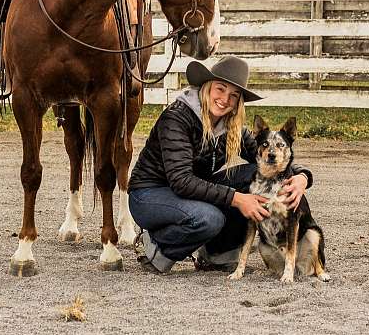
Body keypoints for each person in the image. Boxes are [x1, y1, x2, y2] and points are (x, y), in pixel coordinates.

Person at [128, 55, 313, 274]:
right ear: (207, 86)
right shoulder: (177, 118)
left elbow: (265, 158)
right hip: (150, 194)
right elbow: (180, 181)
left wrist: (302, 177)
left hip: (191, 190)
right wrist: (237, 199)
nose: (225, 99)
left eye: (234, 95)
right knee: (208, 219)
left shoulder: (230, 126)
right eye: (220, 89)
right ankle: (157, 246)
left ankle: (217, 255)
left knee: (256, 174)